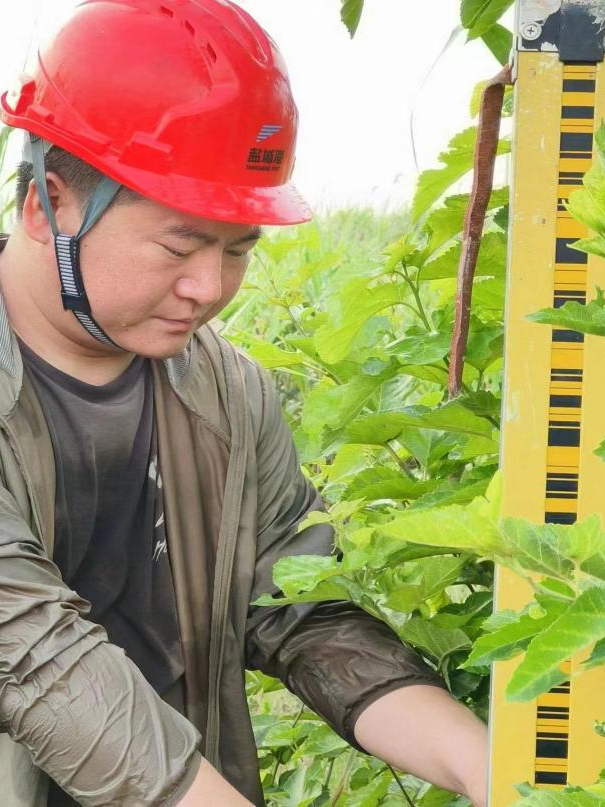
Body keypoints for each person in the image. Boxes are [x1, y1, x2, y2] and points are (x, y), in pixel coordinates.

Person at [0, 1, 488, 805]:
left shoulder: (225, 392)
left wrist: (483, 764)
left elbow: (301, 608)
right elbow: (32, 655)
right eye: (181, 244)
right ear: (46, 206)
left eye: (237, 250)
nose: (209, 288)